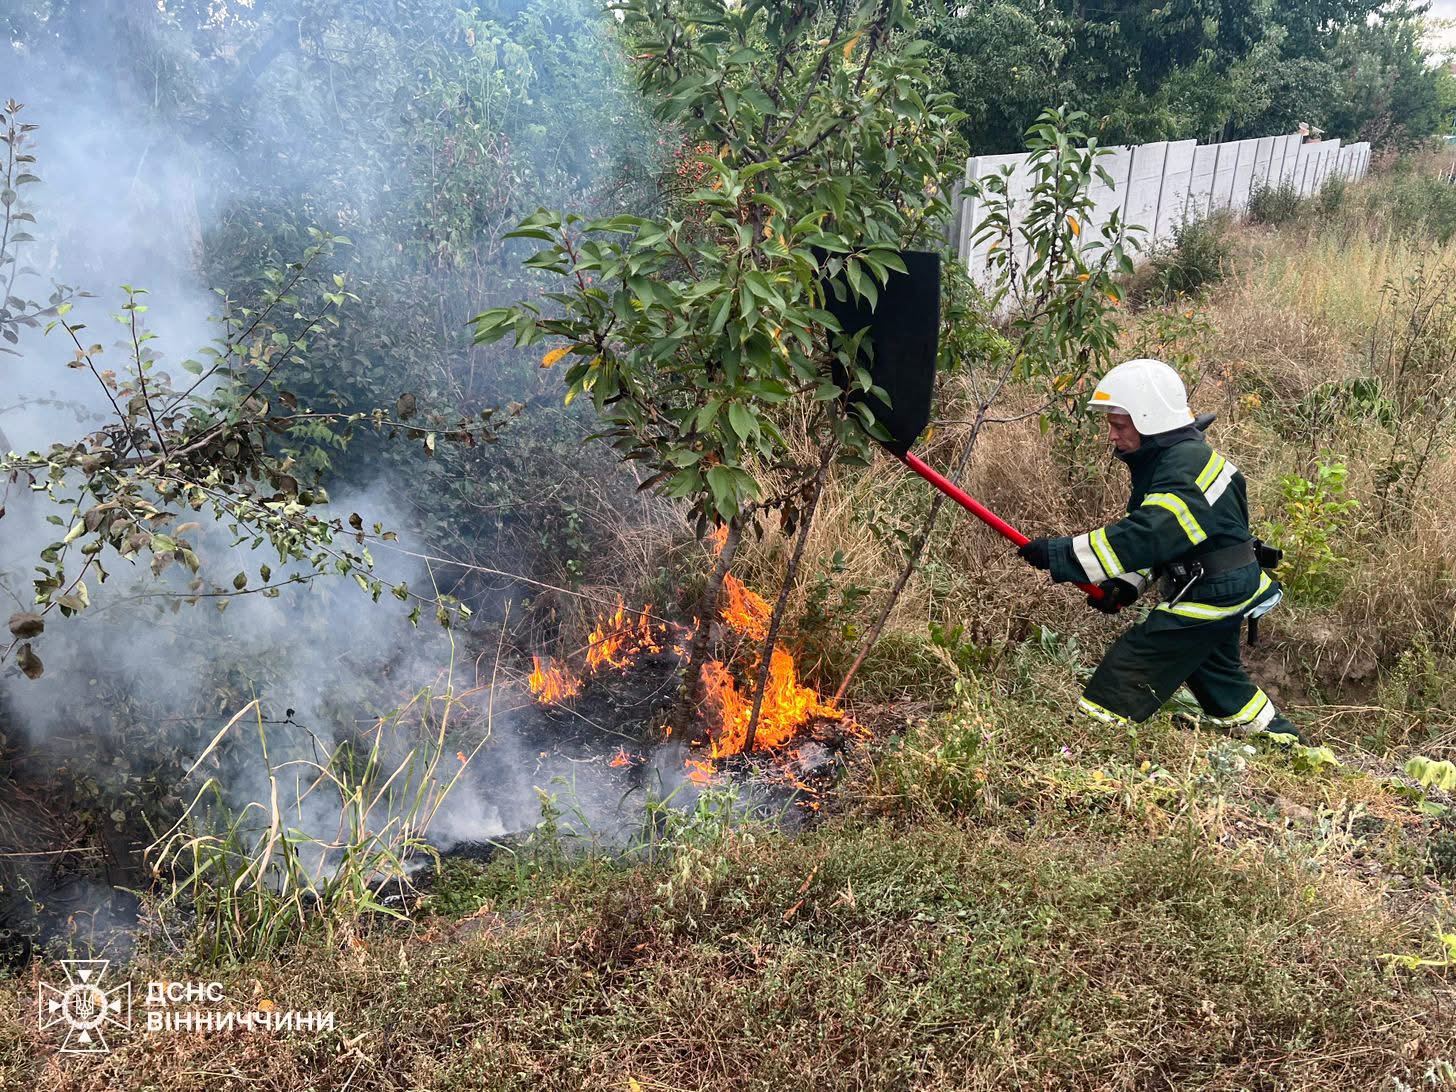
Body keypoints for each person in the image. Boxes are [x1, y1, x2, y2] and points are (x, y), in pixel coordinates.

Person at [1016, 358, 1304, 741]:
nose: (1111, 436)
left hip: (1214, 591)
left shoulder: (1186, 467)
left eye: (1119, 425)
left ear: (1148, 420)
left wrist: (1062, 554)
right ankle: (1286, 745)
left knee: (1132, 666)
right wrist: (1126, 585)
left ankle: (1089, 741)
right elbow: (1169, 540)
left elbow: (1149, 534)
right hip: (1221, 583)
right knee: (1220, 682)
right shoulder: (1170, 460)